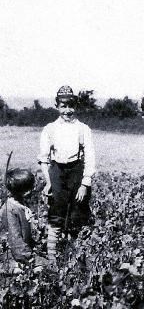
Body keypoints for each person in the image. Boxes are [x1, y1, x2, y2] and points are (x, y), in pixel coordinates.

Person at [37, 86, 96, 263]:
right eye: (63, 106)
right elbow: (44, 158)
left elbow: (90, 156)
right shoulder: (50, 129)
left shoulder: (83, 129)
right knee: (56, 212)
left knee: (78, 211)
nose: (67, 110)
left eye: (71, 106)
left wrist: (85, 184)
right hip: (57, 171)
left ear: (76, 106)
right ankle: (52, 259)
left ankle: (75, 256)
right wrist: (48, 182)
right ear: (57, 106)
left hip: (76, 171)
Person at [0, 168, 36, 273]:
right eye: (29, 188)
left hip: (23, 251)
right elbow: (14, 238)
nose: (32, 190)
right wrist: (27, 257)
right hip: (11, 254)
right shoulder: (9, 210)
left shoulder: (21, 204)